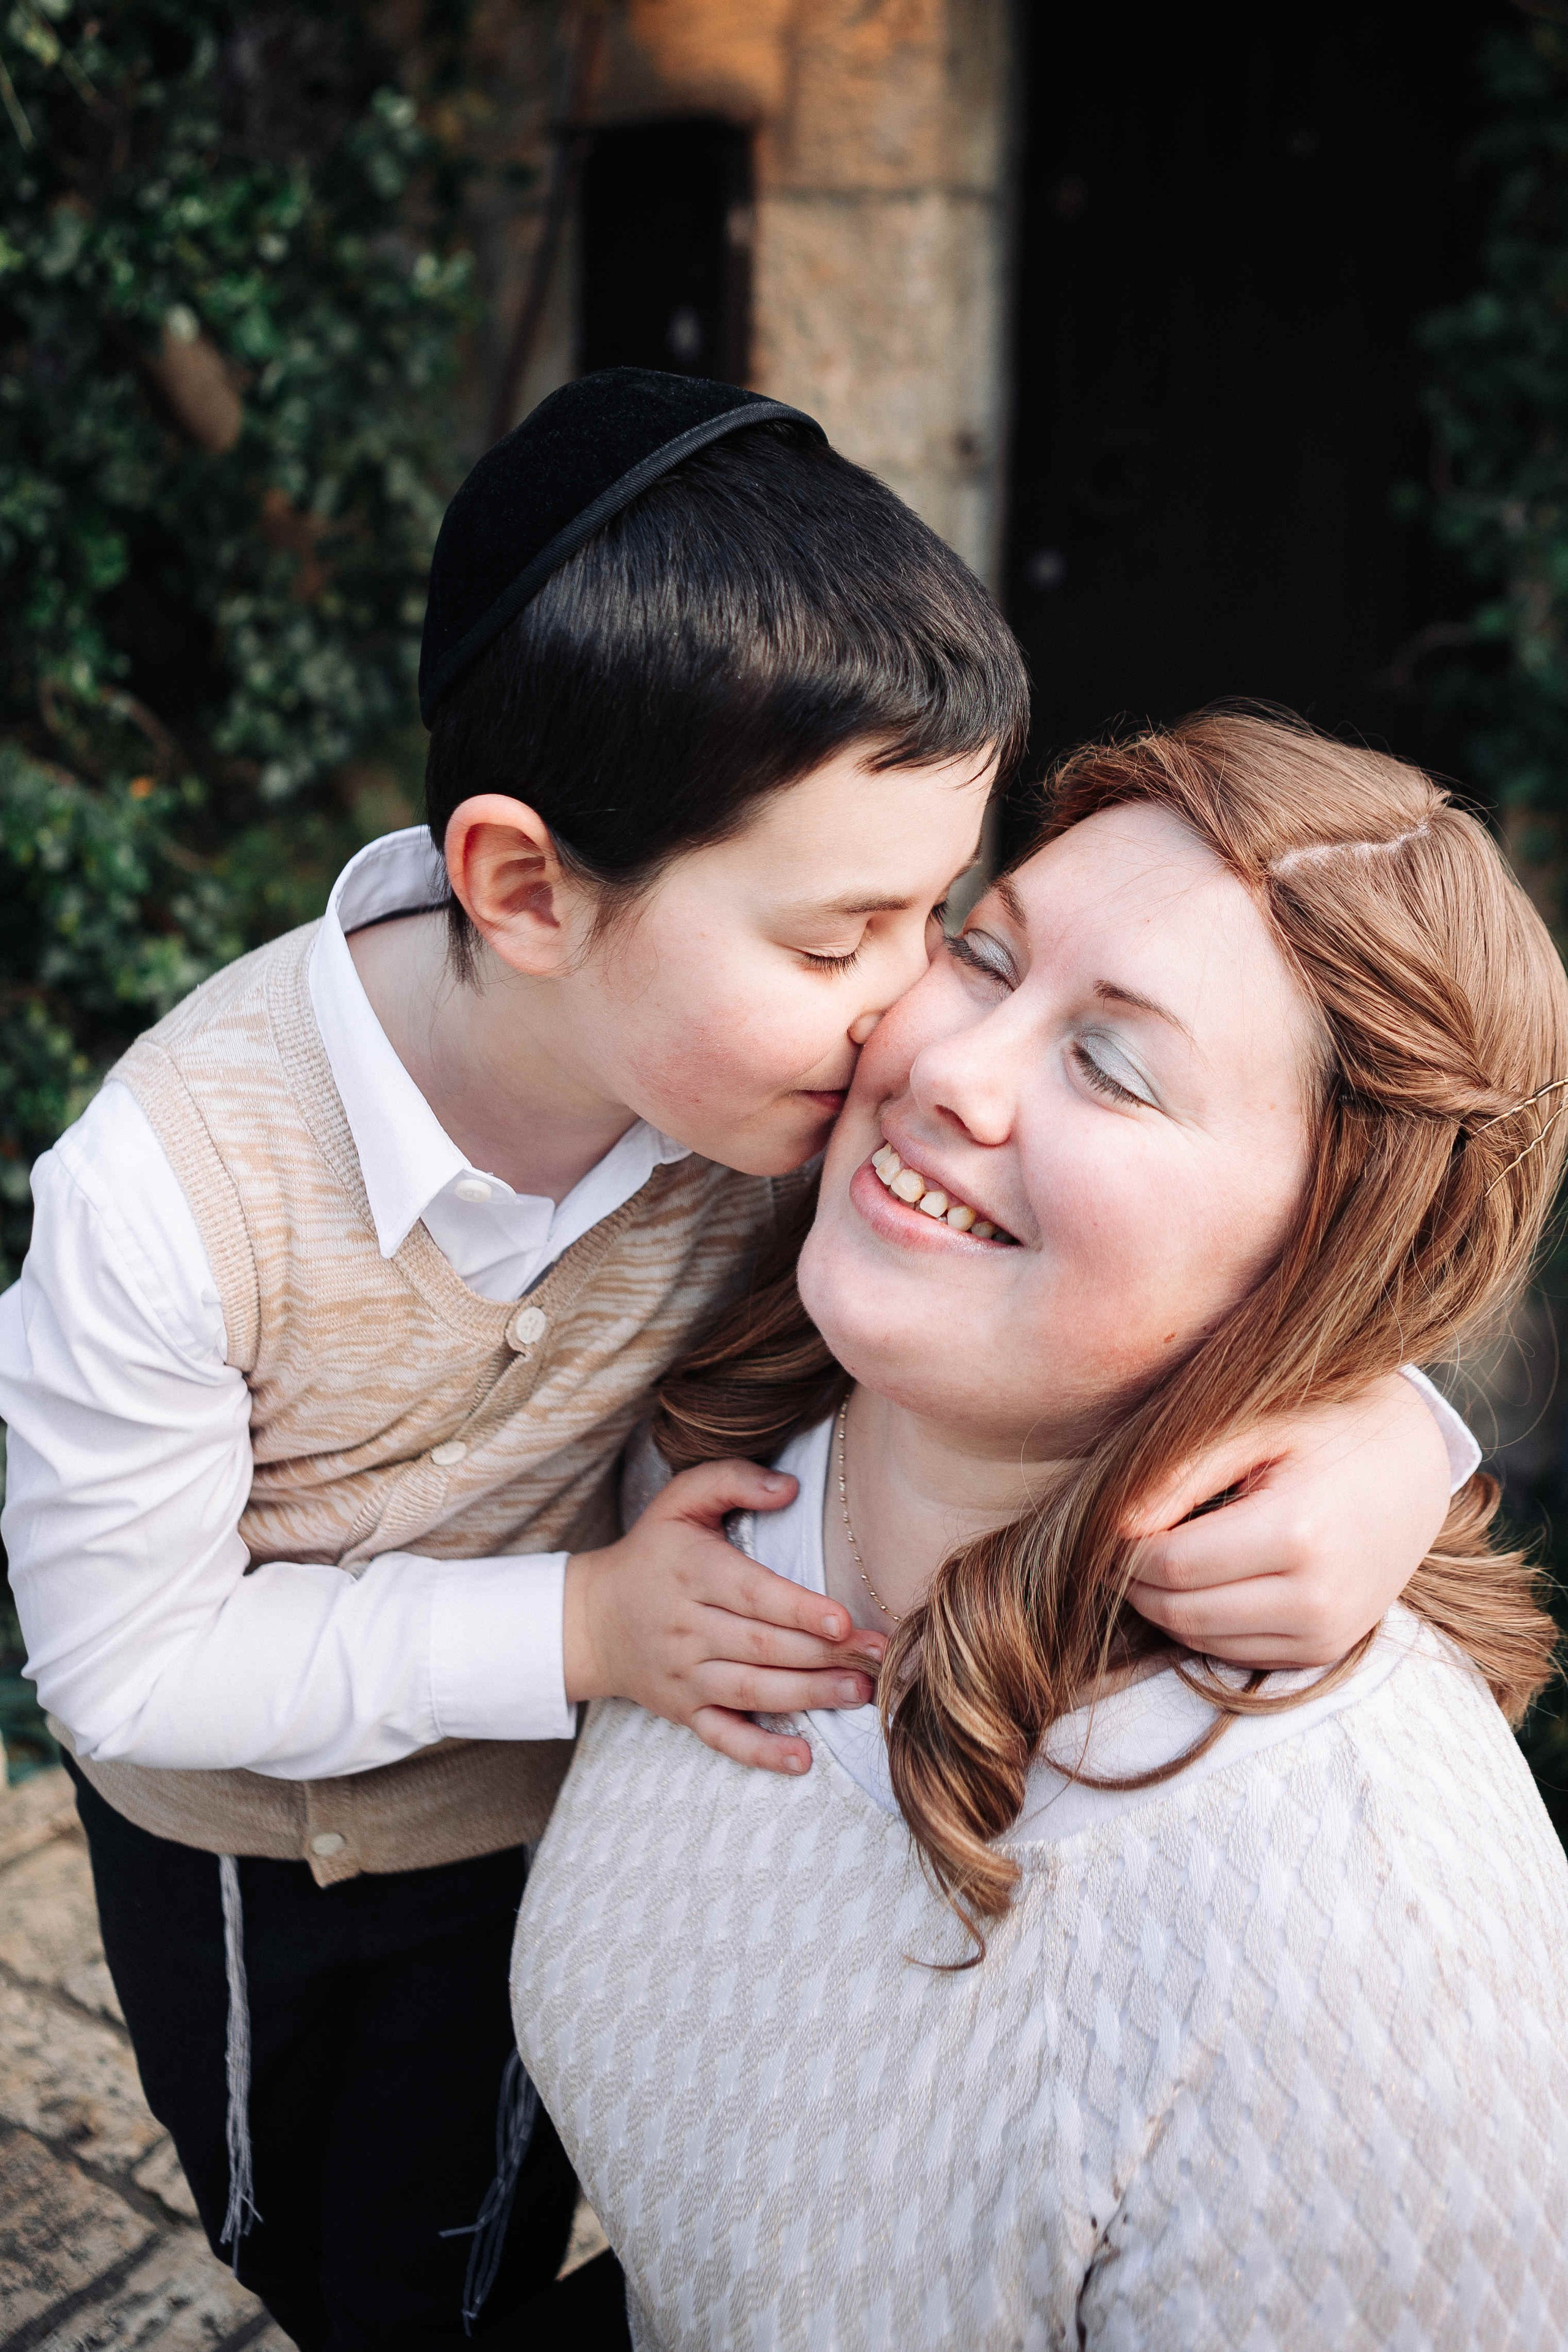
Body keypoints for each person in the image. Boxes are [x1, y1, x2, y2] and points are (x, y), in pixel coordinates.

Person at [0, 371, 1469, 2346]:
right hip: (275, 1852)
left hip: (545, 1813)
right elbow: (125, 1661)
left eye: (936, 918)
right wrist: (587, 1630)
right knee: (318, 2228)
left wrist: (1387, 1421)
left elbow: (1156, 1259)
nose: (915, 1032)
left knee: (488, 2212)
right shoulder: (172, 1196)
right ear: (525, 888)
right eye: (839, 937)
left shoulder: (745, 1096)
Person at [512, 708, 1568, 2352]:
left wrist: (1388, 1410)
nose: (950, 1069)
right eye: (989, 961)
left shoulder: (1361, 1933)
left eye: (1116, 1066)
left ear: (1325, 1252)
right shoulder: (732, 1346)